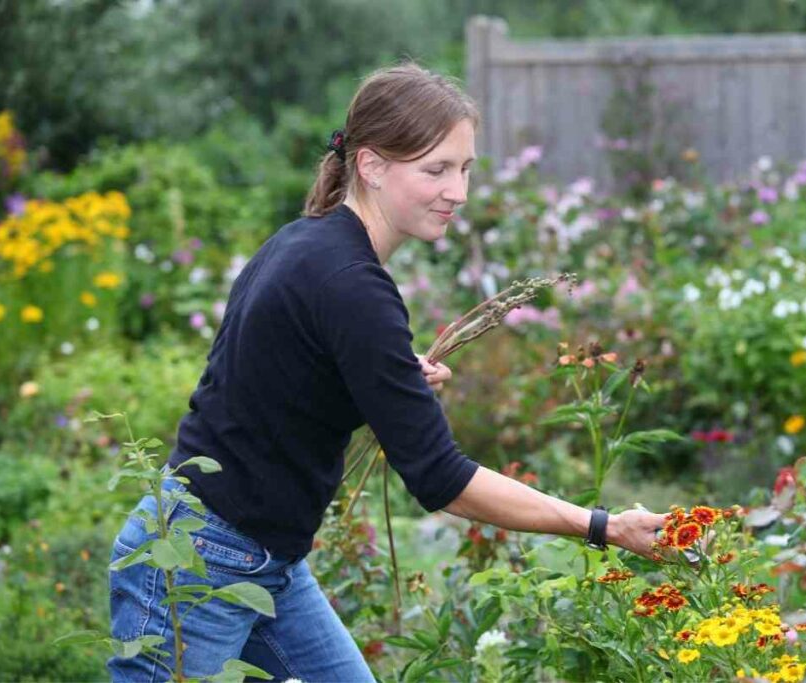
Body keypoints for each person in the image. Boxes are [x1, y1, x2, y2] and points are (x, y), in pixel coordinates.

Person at [107, 61, 667, 683]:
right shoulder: (352, 285)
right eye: (436, 169)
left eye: (464, 169)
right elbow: (440, 478)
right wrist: (602, 526)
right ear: (371, 166)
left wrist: (379, 379)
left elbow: (272, 382)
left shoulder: (306, 242)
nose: (458, 191)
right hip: (196, 560)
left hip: (265, 560)